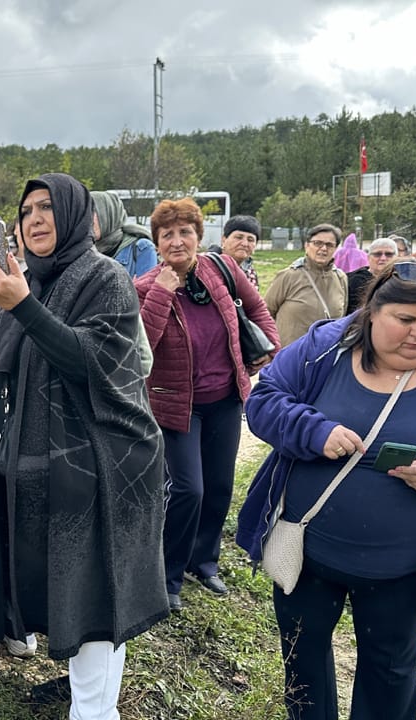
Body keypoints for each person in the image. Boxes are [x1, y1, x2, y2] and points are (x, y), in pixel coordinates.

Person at [236, 258, 416, 720]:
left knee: (391, 674)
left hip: (403, 569)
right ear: (373, 311)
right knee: (303, 664)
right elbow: (265, 400)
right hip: (308, 557)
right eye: (406, 320)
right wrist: (313, 431)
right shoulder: (323, 348)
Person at [0, 173, 168, 720]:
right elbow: (6, 346)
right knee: (72, 589)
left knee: (96, 594)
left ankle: (95, 713)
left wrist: (23, 305)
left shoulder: (106, 277)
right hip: (50, 465)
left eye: (48, 208)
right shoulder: (34, 281)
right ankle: (88, 702)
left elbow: (89, 361)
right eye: (26, 212)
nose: (35, 219)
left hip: (105, 465)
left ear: (75, 216)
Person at [135, 199, 279, 607]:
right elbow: (141, 345)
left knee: (218, 486)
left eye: (185, 233)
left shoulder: (223, 269)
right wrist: (163, 293)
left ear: (200, 237)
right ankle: (168, 576)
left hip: (226, 397)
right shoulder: (145, 287)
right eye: (167, 235)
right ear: (157, 244)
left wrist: (270, 344)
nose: (177, 241)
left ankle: (205, 562)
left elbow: (256, 308)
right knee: (187, 490)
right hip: (176, 405)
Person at [265, 224, 348, 347]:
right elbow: (266, 313)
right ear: (307, 245)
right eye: (317, 243)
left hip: (324, 356)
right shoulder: (288, 276)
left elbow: (342, 316)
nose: (323, 248)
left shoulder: (341, 278)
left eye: (329, 245)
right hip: (290, 356)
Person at [90, 190, 158, 277]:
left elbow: (148, 289)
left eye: (92, 213)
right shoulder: (84, 252)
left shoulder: (141, 248)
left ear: (109, 214)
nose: (86, 220)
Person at [346, 237, 398, 311]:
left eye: (389, 254)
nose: (383, 258)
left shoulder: (401, 280)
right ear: (368, 257)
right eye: (377, 254)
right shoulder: (352, 280)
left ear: (396, 258)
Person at [220, 214, 262, 288]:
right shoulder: (207, 267)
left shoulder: (250, 272)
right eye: (239, 237)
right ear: (224, 239)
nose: (244, 244)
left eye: (250, 240)